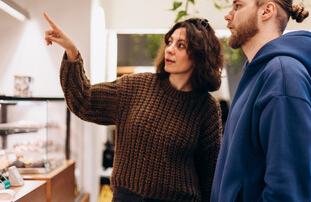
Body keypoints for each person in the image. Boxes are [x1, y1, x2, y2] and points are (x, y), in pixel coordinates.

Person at [43, 13, 223, 202]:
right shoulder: (136, 86)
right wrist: (72, 51)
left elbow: (210, 176)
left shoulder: (207, 108)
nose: (169, 50)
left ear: (199, 56)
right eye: (170, 42)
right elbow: (83, 100)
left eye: (180, 45)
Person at [211, 0, 311, 202]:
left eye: (237, 6)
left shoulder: (282, 75)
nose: (228, 15)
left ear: (267, 11)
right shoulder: (261, 73)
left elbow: (288, 190)